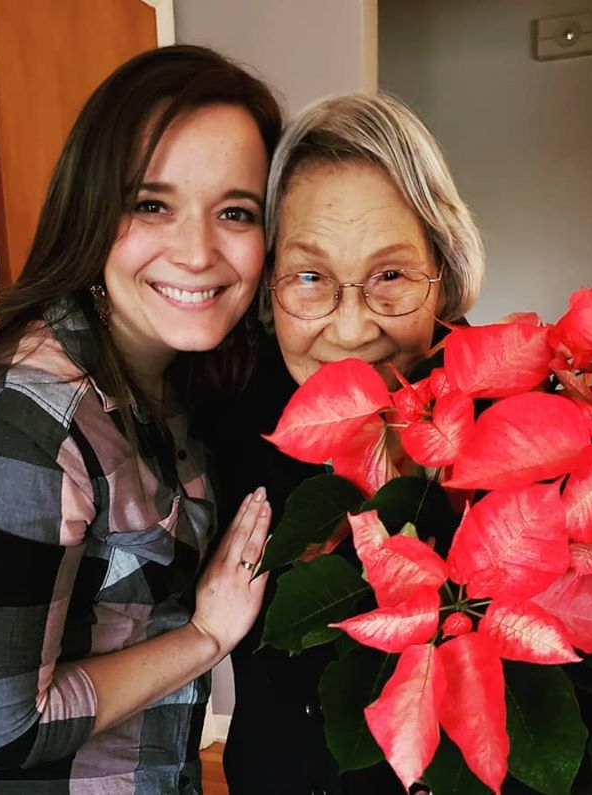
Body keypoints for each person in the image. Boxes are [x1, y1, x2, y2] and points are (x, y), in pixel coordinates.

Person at [0, 45, 282, 794]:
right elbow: (1, 726)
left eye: (235, 212)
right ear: (90, 208)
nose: (198, 252)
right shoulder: (28, 421)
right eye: (152, 204)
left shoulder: (182, 378)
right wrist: (205, 636)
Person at [206, 93, 484, 795]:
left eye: (390, 276)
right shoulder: (223, 419)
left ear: (443, 273)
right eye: (310, 277)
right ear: (267, 283)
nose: (354, 330)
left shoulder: (510, 418)